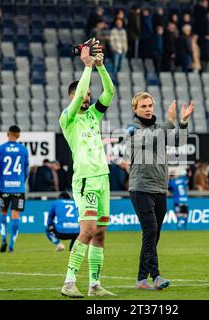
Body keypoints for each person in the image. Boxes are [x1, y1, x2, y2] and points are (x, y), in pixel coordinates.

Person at [59, 41, 115, 298]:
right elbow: (82, 90)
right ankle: (69, 282)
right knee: (88, 230)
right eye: (83, 95)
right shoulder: (68, 118)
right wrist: (87, 66)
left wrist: (101, 67)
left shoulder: (94, 115)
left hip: (103, 178)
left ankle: (94, 285)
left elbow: (110, 92)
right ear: (72, 98)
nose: (87, 97)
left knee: (101, 233)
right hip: (85, 180)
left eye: (89, 95)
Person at [126, 92, 194, 290]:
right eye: (143, 106)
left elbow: (178, 142)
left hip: (160, 188)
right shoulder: (132, 129)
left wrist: (182, 121)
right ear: (135, 109)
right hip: (141, 188)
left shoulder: (159, 129)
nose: (148, 109)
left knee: (154, 235)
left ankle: (142, 279)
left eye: (150, 105)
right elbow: (149, 140)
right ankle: (154, 276)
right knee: (150, 231)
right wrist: (170, 121)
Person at [0, 125, 29, 253]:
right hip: (18, 187)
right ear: (18, 135)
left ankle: (3, 237)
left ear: (8, 134)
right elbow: (26, 171)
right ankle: (11, 244)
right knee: (15, 215)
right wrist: (20, 183)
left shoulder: (0, 149)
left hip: (4, 188)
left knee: (3, 212)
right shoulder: (23, 150)